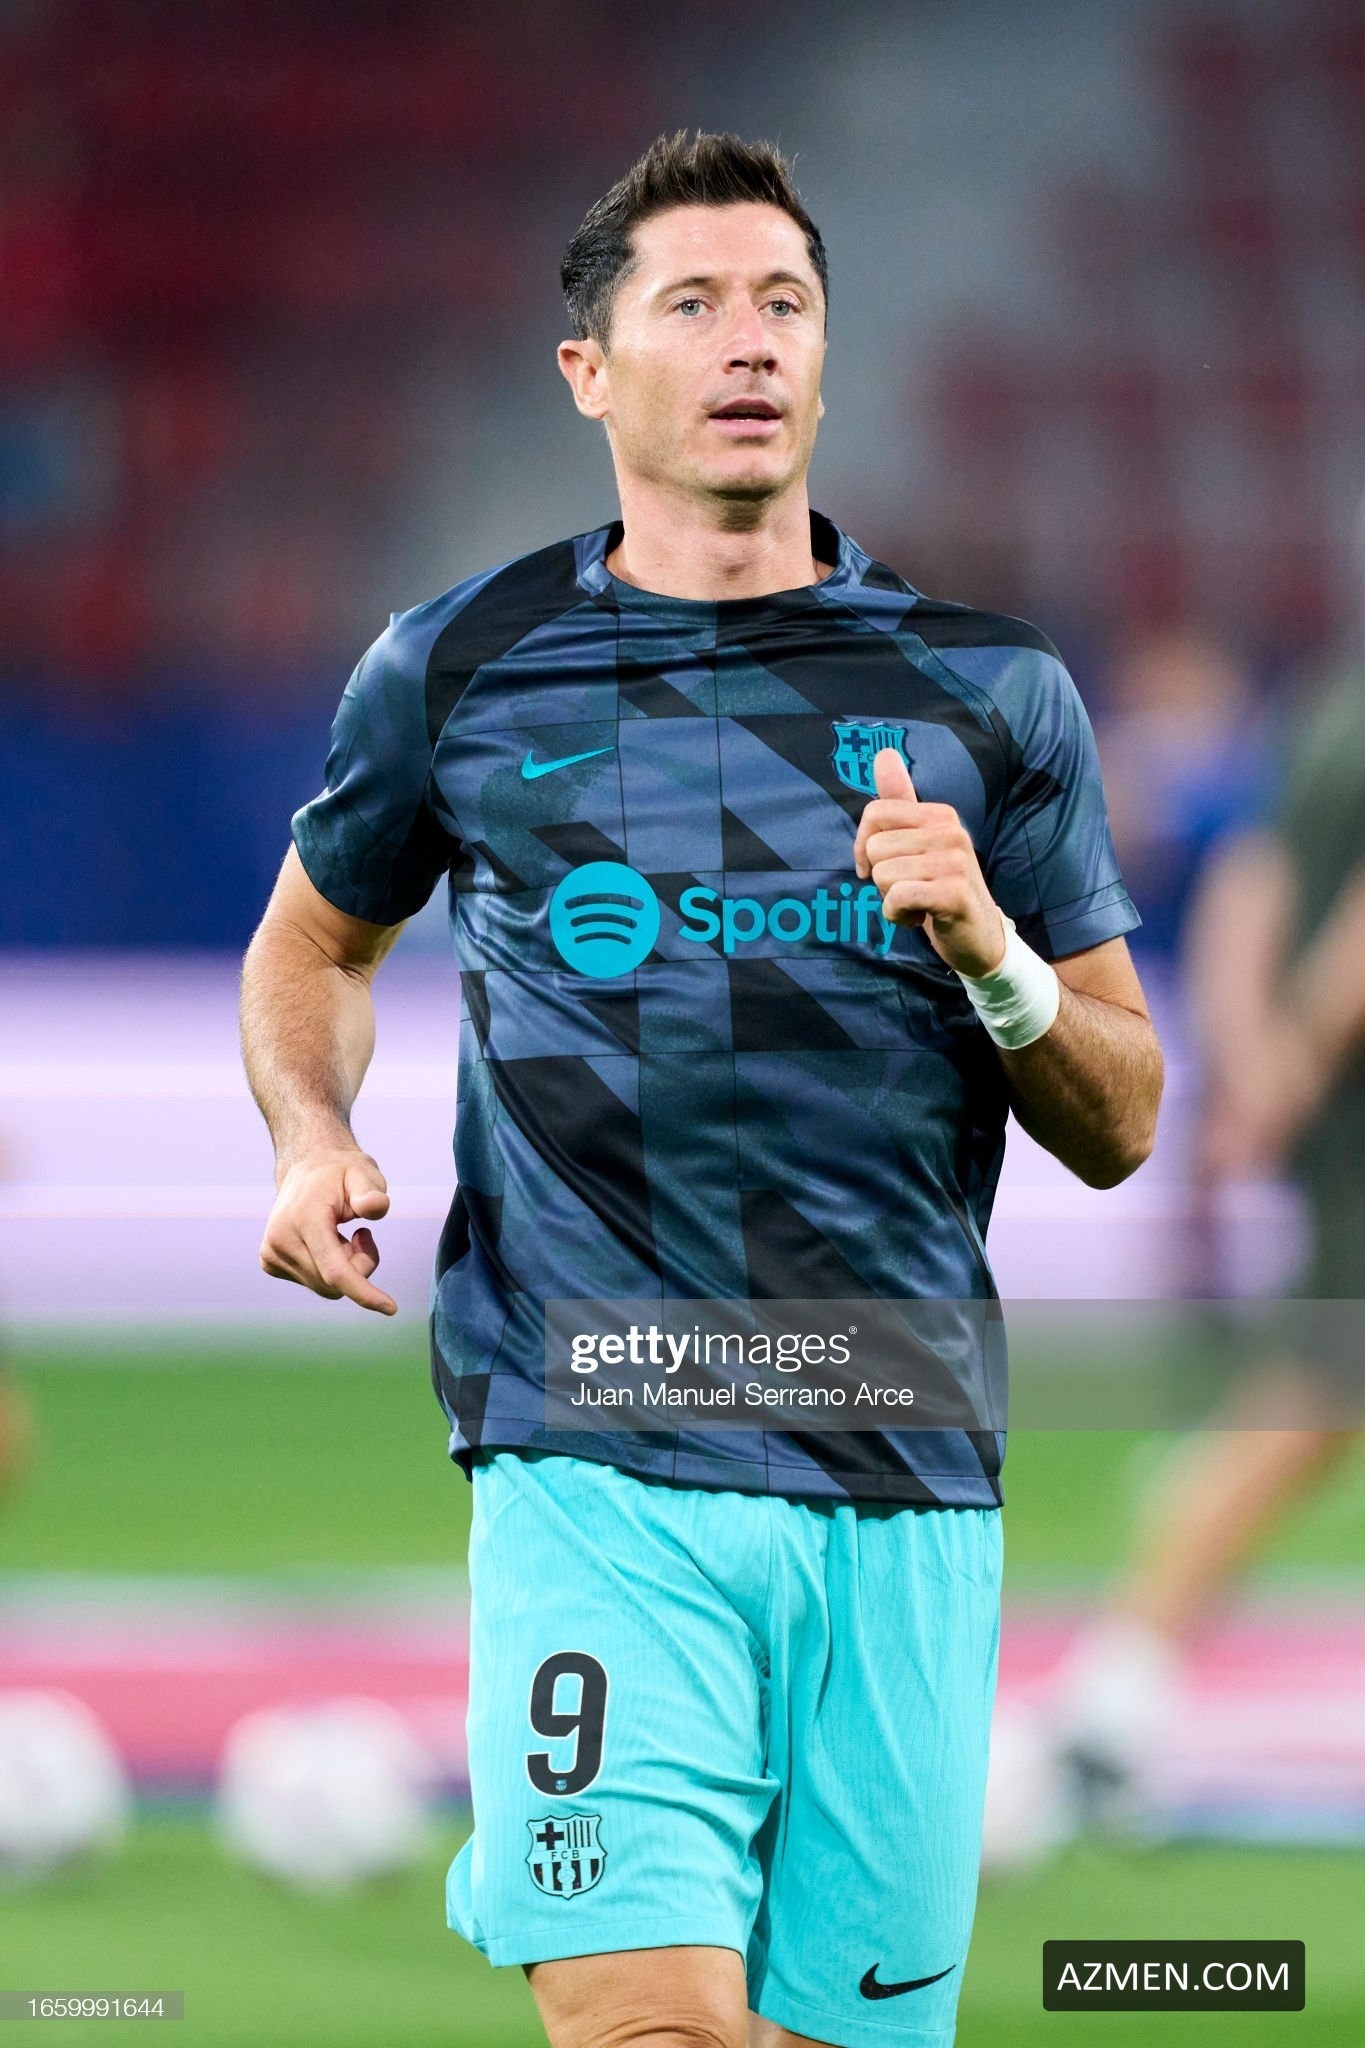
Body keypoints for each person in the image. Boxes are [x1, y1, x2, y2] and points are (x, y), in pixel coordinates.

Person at [240, 133, 1161, 2048]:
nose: (751, 340)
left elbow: (1122, 1115)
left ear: (826, 356)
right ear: (590, 370)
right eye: (696, 304)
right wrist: (313, 1135)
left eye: (786, 303)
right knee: (647, 2025)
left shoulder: (990, 693)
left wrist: (990, 947)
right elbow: (312, 947)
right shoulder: (460, 667)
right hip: (595, 1446)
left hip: (900, 1468)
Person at [1049, 659, 1365, 1825]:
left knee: (1311, 1404)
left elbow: (1249, 885)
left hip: (1332, 1119)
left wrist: (1255, 1061)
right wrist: (1297, 1057)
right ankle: (1111, 1696)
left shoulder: (1328, 712)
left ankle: (1117, 1685)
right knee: (1308, 1405)